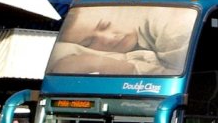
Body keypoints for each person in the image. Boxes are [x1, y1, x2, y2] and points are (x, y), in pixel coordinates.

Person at [46, 7, 196, 75]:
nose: (109, 38)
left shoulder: (172, 27)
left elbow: (179, 80)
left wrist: (119, 67)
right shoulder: (139, 40)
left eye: (105, 25)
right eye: (89, 43)